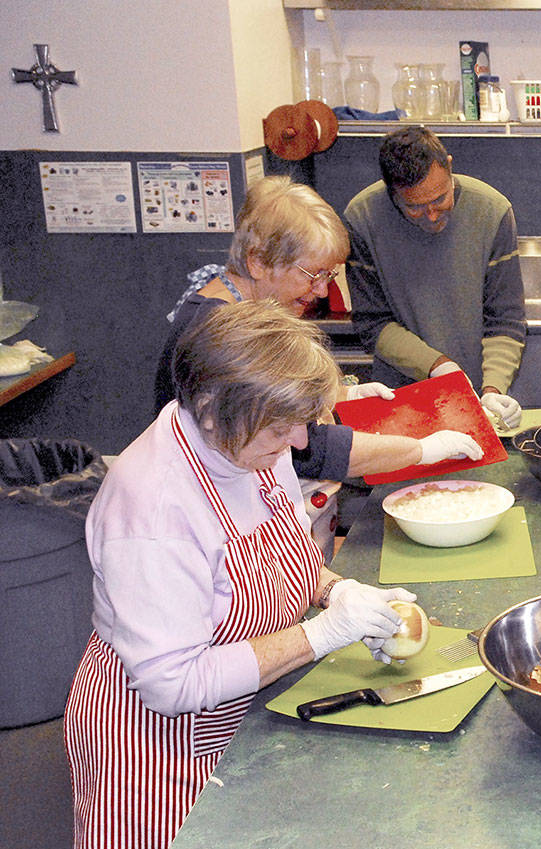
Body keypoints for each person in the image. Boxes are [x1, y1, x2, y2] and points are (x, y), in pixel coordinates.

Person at [67, 301, 424, 849]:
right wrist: (321, 634)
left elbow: (283, 552)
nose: (300, 445)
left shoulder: (252, 439)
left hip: (244, 710)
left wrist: (336, 591)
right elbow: (174, 682)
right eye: (283, 429)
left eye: (301, 425)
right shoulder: (156, 511)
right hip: (159, 744)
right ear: (209, 407)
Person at [155, 177, 483, 554]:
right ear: (258, 262)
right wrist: (420, 450)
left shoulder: (242, 308)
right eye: (312, 275)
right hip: (219, 528)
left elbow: (271, 401)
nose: (323, 291)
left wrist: (341, 394)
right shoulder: (218, 333)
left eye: (330, 275)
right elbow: (307, 446)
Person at [344, 125, 526, 429]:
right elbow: (373, 324)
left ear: (450, 167)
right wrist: (438, 367)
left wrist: (493, 390)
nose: (431, 215)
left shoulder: (492, 212)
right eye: (414, 207)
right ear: (392, 193)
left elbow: (505, 320)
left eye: (440, 199)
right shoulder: (362, 219)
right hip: (399, 401)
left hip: (481, 402)